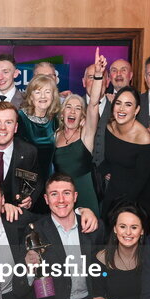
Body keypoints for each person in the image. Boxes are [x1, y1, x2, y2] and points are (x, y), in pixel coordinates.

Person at [55, 61, 105, 218]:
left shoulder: (86, 135)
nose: (73, 111)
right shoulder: (55, 135)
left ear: (82, 117)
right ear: (62, 113)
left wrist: (98, 75)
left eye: (78, 109)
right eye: (69, 107)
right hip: (61, 198)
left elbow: (93, 104)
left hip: (85, 196)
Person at [100, 86, 150, 217]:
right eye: (118, 103)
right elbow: (109, 160)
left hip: (137, 200)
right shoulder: (110, 127)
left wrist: (120, 211)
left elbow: (141, 181)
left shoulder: (144, 138)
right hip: (113, 191)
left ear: (136, 110)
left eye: (128, 105)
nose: (121, 109)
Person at [17, 74, 63, 191]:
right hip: (23, 185)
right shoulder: (20, 118)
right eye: (37, 92)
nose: (43, 96)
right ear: (31, 97)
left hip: (48, 183)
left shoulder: (55, 121)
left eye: (47, 92)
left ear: (53, 96)